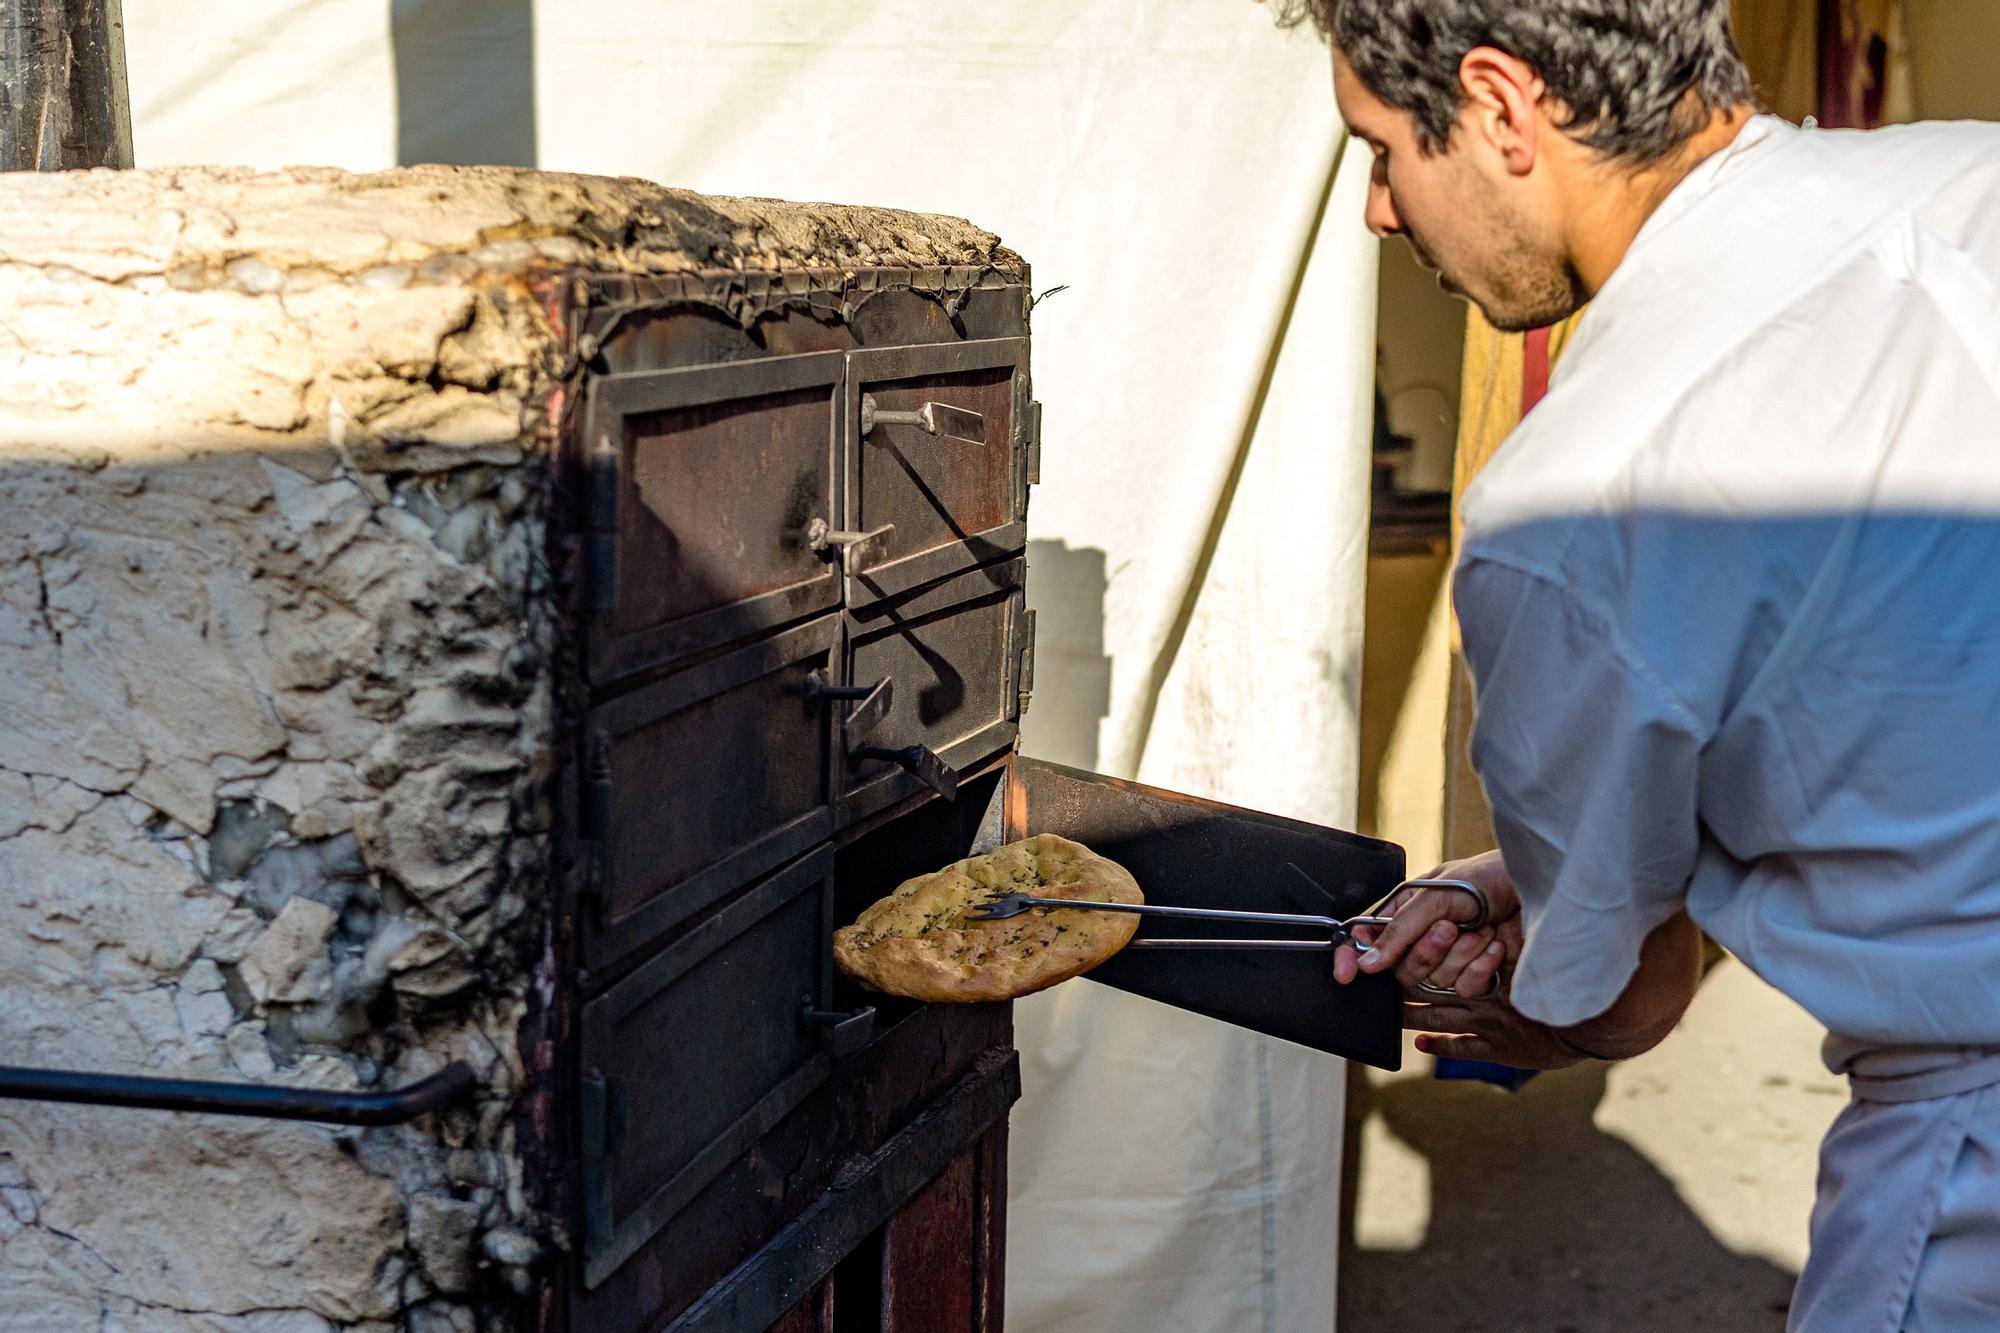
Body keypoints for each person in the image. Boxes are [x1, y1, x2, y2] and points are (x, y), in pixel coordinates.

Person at [1285, 1, 2000, 1328]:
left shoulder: (1567, 509)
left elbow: (1629, 985)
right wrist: (1534, 872)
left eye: (1380, 149)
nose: (1381, 210)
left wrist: (1539, 980)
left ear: (1501, 106)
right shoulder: (1971, 174)